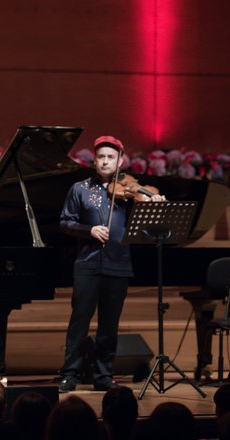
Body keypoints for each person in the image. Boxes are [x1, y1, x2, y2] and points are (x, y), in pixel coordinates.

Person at [57, 135, 165, 392]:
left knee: (109, 324)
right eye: (101, 157)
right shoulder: (79, 189)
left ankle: (103, 376)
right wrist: (89, 230)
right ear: (95, 160)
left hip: (118, 263)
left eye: (111, 157)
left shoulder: (130, 190)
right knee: (79, 322)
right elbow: (65, 222)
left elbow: (147, 226)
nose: (105, 161)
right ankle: (69, 374)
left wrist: (154, 204)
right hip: (87, 264)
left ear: (120, 161)